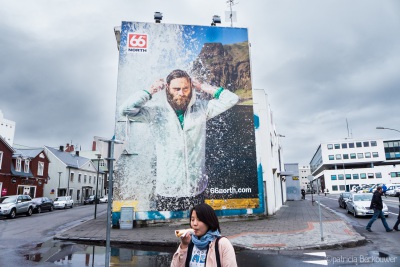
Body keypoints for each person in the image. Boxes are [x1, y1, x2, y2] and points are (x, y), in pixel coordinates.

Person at [121, 69, 239, 211]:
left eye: (185, 88)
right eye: (176, 89)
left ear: (191, 88)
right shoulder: (157, 113)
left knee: (196, 232)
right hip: (167, 192)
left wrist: (203, 87)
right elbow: (126, 110)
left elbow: (232, 99)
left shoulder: (202, 108)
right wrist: (151, 90)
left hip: (196, 191)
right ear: (167, 89)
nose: (181, 93)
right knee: (166, 233)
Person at [171, 203, 237, 267]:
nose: (195, 224)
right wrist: (184, 246)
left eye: (199, 220)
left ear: (209, 221)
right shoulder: (189, 242)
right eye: (192, 219)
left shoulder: (222, 244)